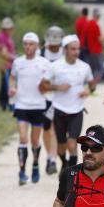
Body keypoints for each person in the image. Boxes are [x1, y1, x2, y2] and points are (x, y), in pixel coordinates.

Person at [41, 35, 97, 171]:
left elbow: (92, 84)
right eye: (73, 49)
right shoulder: (55, 66)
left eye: (78, 49)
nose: (76, 52)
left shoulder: (84, 67)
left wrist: (88, 91)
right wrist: (57, 87)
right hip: (59, 110)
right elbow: (43, 85)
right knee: (61, 146)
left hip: (77, 111)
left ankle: (71, 173)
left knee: (72, 144)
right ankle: (64, 163)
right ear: (65, 49)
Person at [8, 32, 50, 185]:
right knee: (23, 138)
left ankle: (35, 165)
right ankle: (21, 171)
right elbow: (12, 77)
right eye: (25, 43)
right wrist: (12, 88)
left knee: (34, 141)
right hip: (22, 105)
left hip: (38, 105)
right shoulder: (18, 62)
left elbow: (50, 81)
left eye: (31, 44)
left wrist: (47, 88)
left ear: (37, 46)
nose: (28, 46)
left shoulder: (44, 63)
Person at [41, 26, 65, 175]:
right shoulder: (41, 53)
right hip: (43, 96)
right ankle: (50, 155)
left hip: (59, 96)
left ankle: (52, 159)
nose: (54, 45)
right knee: (46, 129)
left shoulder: (65, 53)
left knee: (54, 129)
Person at [85, 8, 104, 82]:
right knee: (101, 68)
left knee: (93, 68)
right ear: (98, 16)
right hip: (97, 50)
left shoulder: (89, 23)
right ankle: (95, 82)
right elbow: (99, 39)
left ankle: (91, 82)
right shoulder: (95, 25)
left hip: (90, 49)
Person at [0, 17, 15, 111]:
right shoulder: (1, 36)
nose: (11, 30)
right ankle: (5, 105)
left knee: (6, 85)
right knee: (6, 86)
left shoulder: (8, 36)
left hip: (10, 64)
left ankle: (5, 105)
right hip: (5, 64)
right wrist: (15, 58)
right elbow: (3, 53)